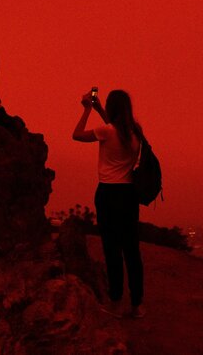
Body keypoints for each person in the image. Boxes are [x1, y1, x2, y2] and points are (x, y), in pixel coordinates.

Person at [72, 89, 145, 319]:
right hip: (129, 195)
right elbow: (116, 131)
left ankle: (115, 301)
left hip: (108, 193)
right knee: (132, 250)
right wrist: (100, 109)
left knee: (112, 249)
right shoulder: (135, 132)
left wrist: (86, 109)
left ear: (113, 108)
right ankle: (137, 305)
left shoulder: (106, 131)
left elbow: (77, 134)